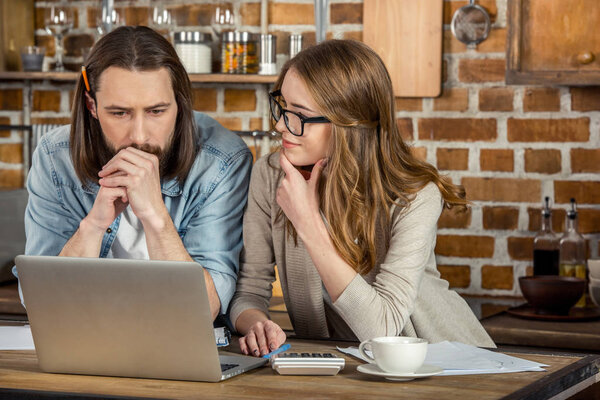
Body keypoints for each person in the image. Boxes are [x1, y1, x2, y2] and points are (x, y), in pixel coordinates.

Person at [229, 39, 495, 356]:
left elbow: (381, 329)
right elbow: (249, 289)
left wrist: (309, 224)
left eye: (298, 114)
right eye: (282, 106)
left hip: (441, 361)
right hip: (343, 366)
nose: (279, 124)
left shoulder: (415, 195)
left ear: (347, 123)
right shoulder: (271, 175)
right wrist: (256, 323)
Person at [18, 26, 252, 320]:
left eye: (156, 111)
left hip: (177, 349)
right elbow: (43, 304)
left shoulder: (222, 160)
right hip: (87, 341)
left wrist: (155, 216)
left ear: (179, 104)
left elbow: (204, 310)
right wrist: (93, 225)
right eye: (119, 113)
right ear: (92, 106)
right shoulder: (55, 157)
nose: (139, 136)